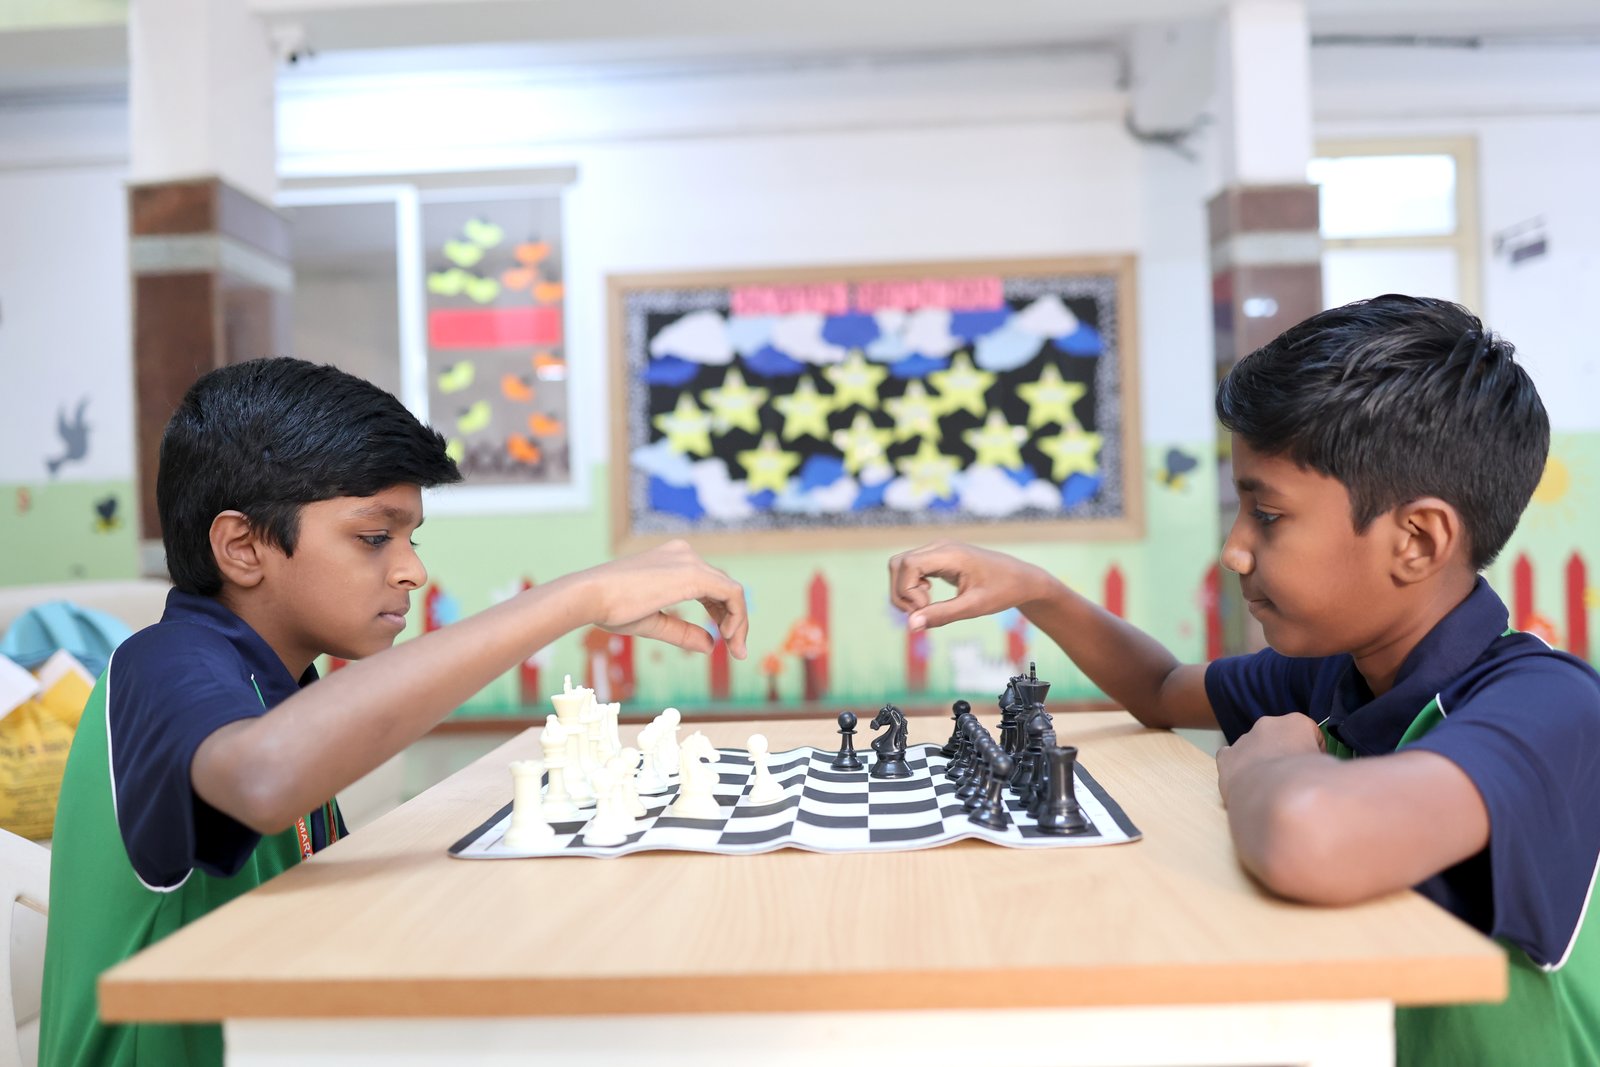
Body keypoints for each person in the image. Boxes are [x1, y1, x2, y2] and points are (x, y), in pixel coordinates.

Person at [887, 295, 1600, 1066]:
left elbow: (1310, 835)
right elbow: (1161, 686)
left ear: (1418, 540)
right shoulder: (1339, 671)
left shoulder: (1548, 707)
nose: (1234, 549)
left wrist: (1268, 762)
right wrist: (1039, 590)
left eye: (1268, 514)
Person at [39, 358, 749, 1067]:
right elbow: (264, 774)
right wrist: (578, 598)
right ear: (243, 546)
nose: (412, 570)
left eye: (412, 539)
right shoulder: (163, 664)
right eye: (375, 537)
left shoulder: (284, 688)